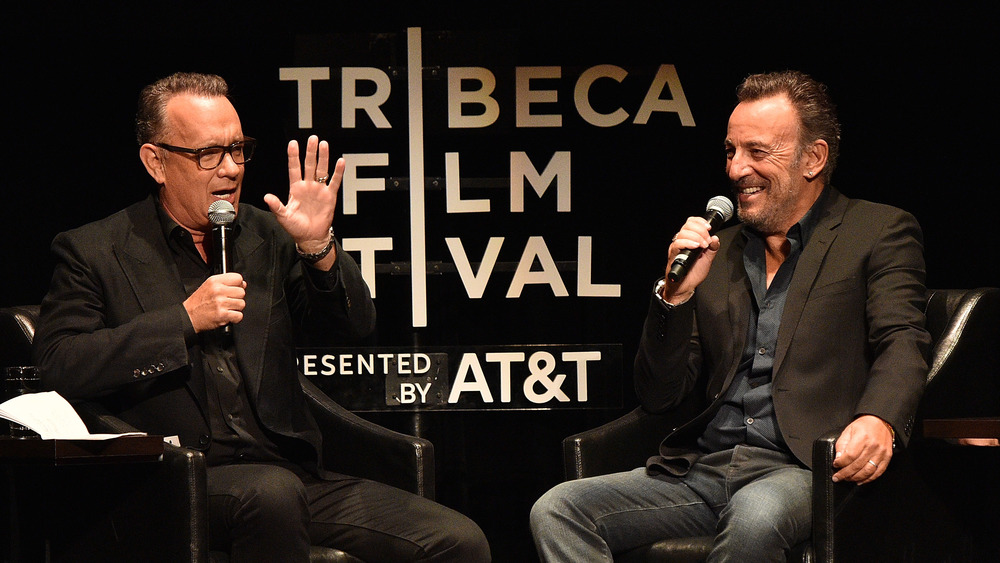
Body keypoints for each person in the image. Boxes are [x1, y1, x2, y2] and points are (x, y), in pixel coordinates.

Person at [32, 72, 490, 563]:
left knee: (457, 541)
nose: (230, 169)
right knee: (269, 495)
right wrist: (183, 321)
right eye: (208, 154)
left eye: (238, 149)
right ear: (156, 161)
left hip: (290, 475)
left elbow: (354, 328)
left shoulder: (267, 234)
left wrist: (317, 247)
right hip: (173, 479)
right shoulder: (96, 250)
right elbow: (59, 364)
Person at [530, 70, 930, 562]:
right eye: (730, 151)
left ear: (814, 158)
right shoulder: (716, 253)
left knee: (757, 512)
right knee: (560, 508)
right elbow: (659, 396)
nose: (736, 169)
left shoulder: (876, 230)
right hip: (704, 469)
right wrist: (673, 298)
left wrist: (878, 418)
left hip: (803, 469)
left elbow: (903, 338)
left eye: (757, 152)